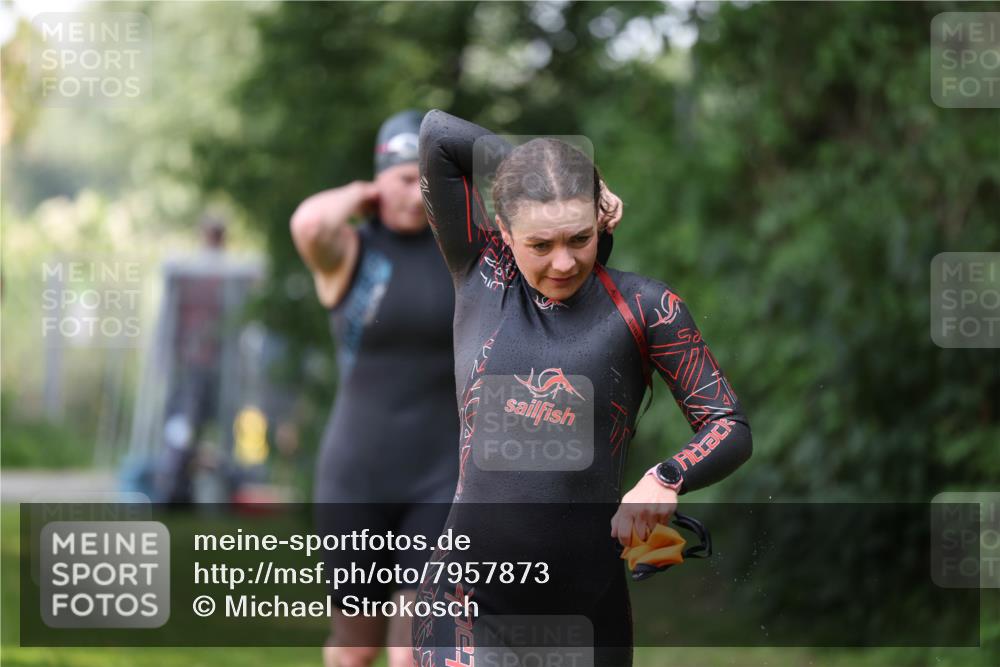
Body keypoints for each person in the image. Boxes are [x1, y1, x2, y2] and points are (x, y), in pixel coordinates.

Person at [412, 110, 752, 667]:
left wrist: (666, 477)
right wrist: (534, 170)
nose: (563, 262)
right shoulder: (482, 274)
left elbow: (728, 426)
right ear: (504, 229)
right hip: (467, 605)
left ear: (602, 219)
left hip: (588, 612)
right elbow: (437, 135)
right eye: (540, 244)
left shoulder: (646, 309)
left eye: (579, 237)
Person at [290, 110, 459, 667]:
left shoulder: (461, 258)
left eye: (426, 182)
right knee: (355, 648)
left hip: (440, 475)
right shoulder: (350, 254)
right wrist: (364, 193)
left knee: (416, 652)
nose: (415, 195)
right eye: (404, 179)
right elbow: (310, 226)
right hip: (357, 476)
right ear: (379, 177)